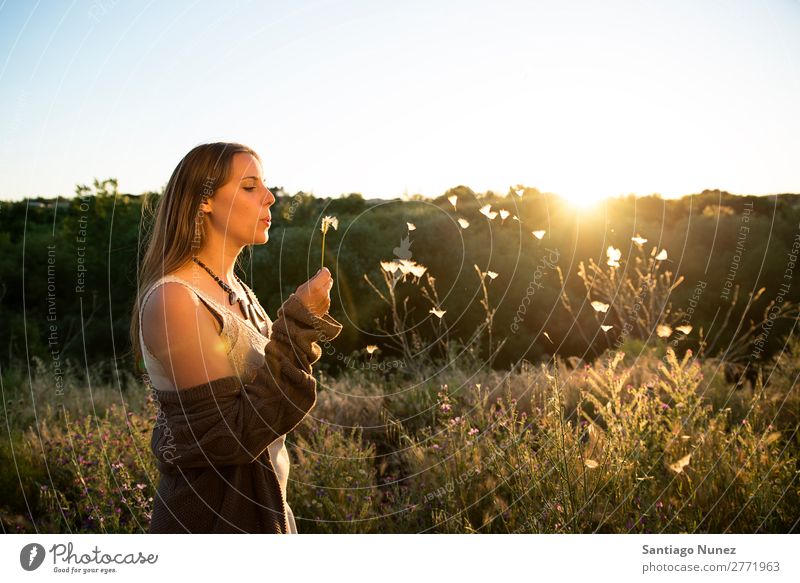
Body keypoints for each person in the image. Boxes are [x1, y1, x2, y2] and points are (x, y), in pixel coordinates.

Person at [130, 142, 343, 533]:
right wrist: (298, 323)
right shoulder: (176, 299)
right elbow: (231, 436)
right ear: (204, 201)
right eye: (249, 187)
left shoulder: (239, 291)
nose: (270, 196)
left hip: (266, 511)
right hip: (213, 522)